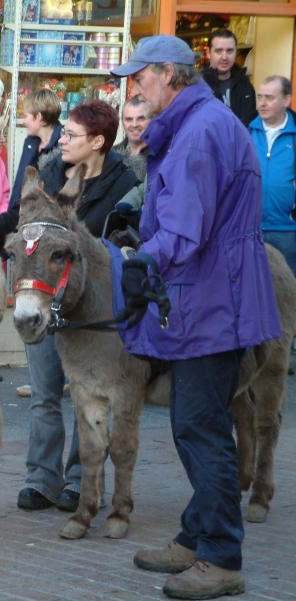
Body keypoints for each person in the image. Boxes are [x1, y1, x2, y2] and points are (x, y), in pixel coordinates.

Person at [112, 35, 280, 599]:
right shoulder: (201, 123)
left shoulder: (199, 131)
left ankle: (222, 556)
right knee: (195, 421)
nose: (135, 87)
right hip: (211, 296)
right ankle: (197, 534)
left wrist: (142, 264)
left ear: (170, 74)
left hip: (214, 300)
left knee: (199, 426)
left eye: (141, 77)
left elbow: (185, 229)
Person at [0, 100, 138, 513]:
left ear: (97, 141)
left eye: (71, 135)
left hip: (88, 303)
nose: (62, 140)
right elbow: (18, 220)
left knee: (87, 397)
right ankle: (41, 478)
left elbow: (127, 231)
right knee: (44, 392)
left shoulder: (124, 180)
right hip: (40, 291)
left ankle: (78, 480)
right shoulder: (50, 170)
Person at [11, 89, 63, 399]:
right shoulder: (33, 143)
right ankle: (42, 376)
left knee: (46, 304)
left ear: (40, 118)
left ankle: (51, 378)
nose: (23, 121)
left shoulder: (60, 146)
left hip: (47, 237)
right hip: (27, 230)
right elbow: (21, 186)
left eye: (27, 116)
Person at [249, 75, 296, 276]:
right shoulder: (246, 132)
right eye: (260, 97)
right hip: (250, 229)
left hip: (287, 231)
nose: (262, 103)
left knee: (288, 294)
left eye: (269, 97)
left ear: (286, 100)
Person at [201, 28, 257, 127]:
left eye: (229, 51)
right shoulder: (198, 87)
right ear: (208, 53)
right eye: (218, 51)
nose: (224, 57)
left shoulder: (246, 86)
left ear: (236, 52)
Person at [114, 95, 152, 212]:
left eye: (141, 118)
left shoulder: (159, 158)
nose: (134, 124)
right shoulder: (111, 155)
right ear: (122, 122)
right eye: (129, 119)